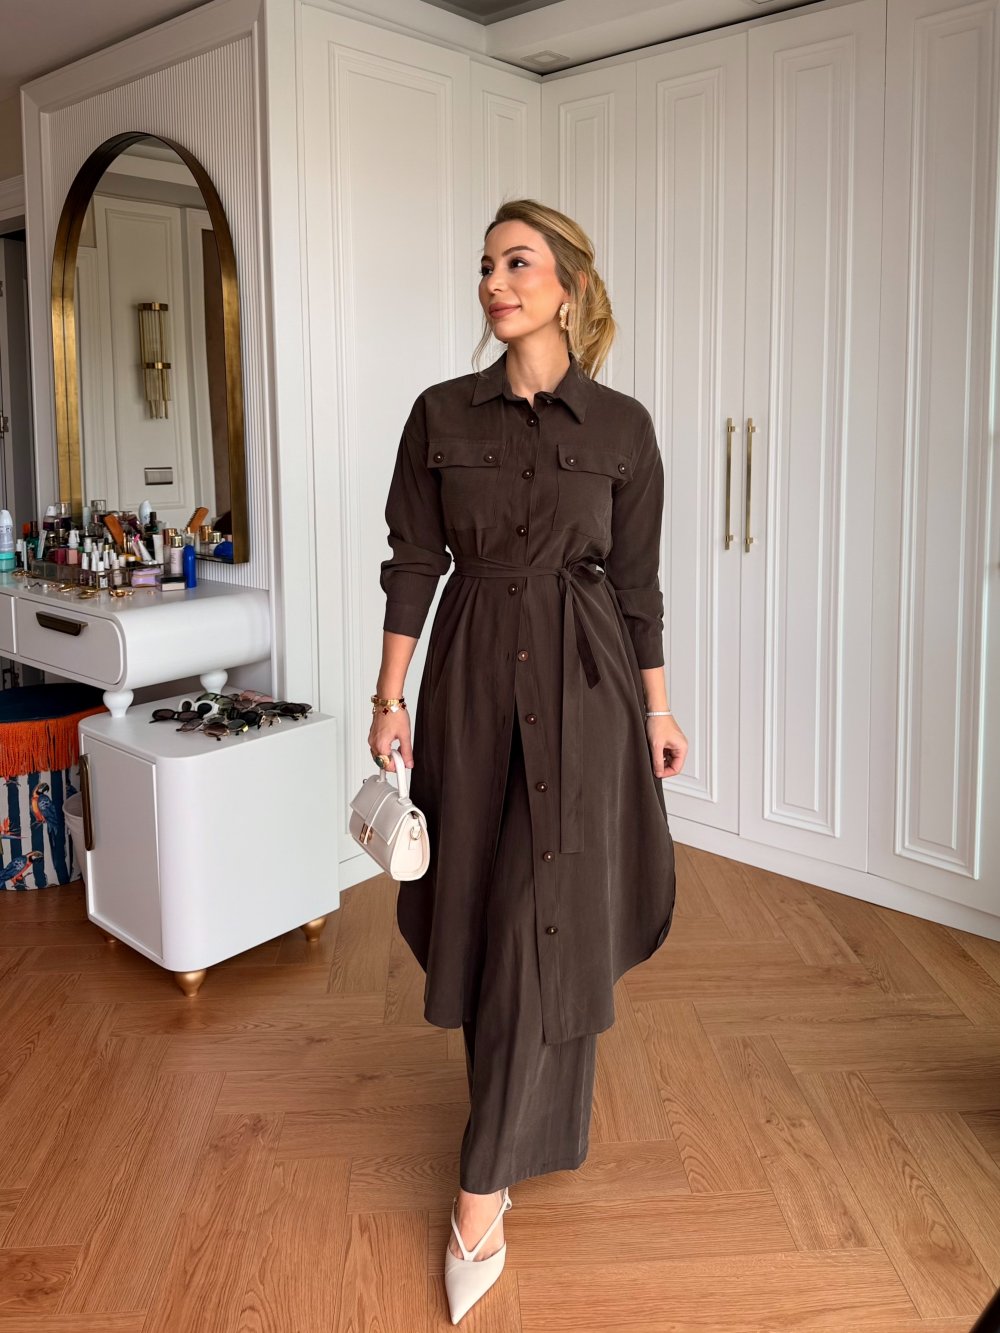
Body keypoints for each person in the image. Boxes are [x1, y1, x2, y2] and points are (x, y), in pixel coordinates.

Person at [369, 199, 687, 1324]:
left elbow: (637, 585)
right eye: (486, 266)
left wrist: (659, 709)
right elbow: (413, 560)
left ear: (570, 287)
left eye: (519, 262)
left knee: (540, 916)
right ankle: (520, 1133)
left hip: (588, 686)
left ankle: (479, 1192)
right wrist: (389, 694)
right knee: (488, 904)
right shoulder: (438, 414)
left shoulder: (624, 427)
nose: (495, 282)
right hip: (471, 682)